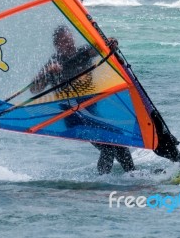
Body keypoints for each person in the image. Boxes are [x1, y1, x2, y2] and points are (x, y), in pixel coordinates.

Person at [30, 25, 135, 174]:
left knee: (117, 140)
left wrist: (111, 42)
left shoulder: (82, 53)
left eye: (70, 39)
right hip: (74, 117)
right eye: (64, 41)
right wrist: (47, 72)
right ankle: (106, 180)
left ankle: (130, 174)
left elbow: (100, 46)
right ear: (57, 45)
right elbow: (34, 89)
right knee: (109, 145)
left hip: (91, 112)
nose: (69, 43)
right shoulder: (55, 63)